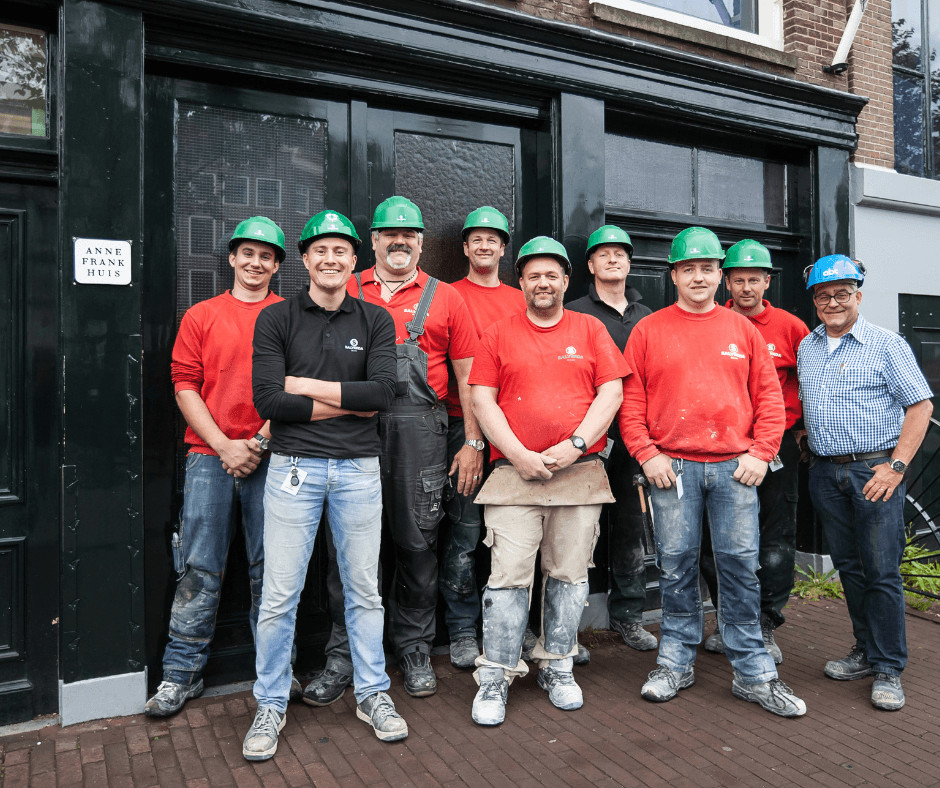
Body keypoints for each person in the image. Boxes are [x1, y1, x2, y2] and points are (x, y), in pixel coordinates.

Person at [619, 226, 807, 718]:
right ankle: (674, 662)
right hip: (672, 470)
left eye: (707, 268)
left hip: (734, 470)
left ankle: (754, 674)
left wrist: (761, 453)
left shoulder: (743, 331)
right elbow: (631, 401)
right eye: (689, 268)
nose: (698, 277)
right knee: (676, 566)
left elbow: (769, 399)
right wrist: (646, 454)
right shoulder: (648, 330)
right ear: (674, 275)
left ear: (719, 275)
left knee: (740, 568)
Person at [243, 210, 404, 760]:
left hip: (359, 470)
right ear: (306, 260)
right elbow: (270, 401)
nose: (331, 259)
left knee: (364, 591)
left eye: (341, 251)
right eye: (320, 250)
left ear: (354, 260)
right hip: (293, 468)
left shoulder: (376, 319)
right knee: (279, 594)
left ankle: (373, 693)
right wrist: (347, 402)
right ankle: (270, 702)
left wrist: (305, 386)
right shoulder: (276, 318)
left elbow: (381, 395)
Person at [304, 196, 478, 703]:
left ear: (421, 244)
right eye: (389, 234)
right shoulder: (345, 287)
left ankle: (415, 648)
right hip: (349, 433)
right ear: (374, 242)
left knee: (417, 545)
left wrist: (472, 441)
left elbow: (468, 377)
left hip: (422, 437)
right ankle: (344, 655)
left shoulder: (447, 298)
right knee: (348, 550)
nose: (399, 242)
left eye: (409, 235)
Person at [468, 236, 628, 726]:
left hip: (578, 474)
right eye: (534, 275)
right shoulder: (498, 333)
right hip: (514, 476)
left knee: (569, 576)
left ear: (565, 280)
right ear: (521, 282)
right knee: (507, 578)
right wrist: (518, 454)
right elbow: (482, 399)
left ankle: (558, 664)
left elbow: (611, 392)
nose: (543, 283)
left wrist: (575, 445)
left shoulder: (591, 329)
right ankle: (496, 674)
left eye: (551, 275)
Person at [145, 217, 289, 717]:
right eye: (248, 253)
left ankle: (276, 674)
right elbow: (184, 384)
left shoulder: (289, 316)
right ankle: (180, 675)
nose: (256, 263)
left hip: (273, 456)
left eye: (266, 256)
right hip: (209, 458)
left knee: (273, 573)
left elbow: (298, 386)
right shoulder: (202, 315)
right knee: (199, 570)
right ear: (232, 257)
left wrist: (257, 442)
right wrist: (225, 445)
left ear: (277, 266)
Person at [798, 254, 933, 711]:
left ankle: (889, 667)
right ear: (815, 301)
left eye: (842, 293)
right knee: (850, 568)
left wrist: (896, 466)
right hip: (825, 471)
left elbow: (920, 407)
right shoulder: (808, 346)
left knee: (881, 570)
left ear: (858, 295)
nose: (833, 303)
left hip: (873, 471)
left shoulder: (886, 344)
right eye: (823, 296)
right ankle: (865, 649)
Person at [699, 239, 810, 663]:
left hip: (776, 446)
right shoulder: (711, 320)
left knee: (775, 537)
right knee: (715, 539)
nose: (747, 288)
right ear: (726, 281)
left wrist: (802, 430)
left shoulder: (791, 327)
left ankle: (764, 623)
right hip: (721, 446)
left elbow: (811, 382)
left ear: (767, 281)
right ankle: (729, 618)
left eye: (755, 280)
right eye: (739, 280)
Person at [441, 206, 526, 669]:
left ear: (503, 248)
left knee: (516, 533)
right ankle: (461, 629)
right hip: (463, 427)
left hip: (515, 431)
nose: (485, 245)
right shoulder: (448, 295)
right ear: (465, 247)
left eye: (493, 239)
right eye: (476, 238)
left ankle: (517, 626)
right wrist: (471, 440)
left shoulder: (521, 299)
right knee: (466, 532)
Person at [567, 224, 657, 652]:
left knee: (629, 529)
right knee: (576, 533)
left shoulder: (648, 316)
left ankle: (628, 616)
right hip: (585, 437)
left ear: (629, 262)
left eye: (620, 253)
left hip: (635, 437)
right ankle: (568, 623)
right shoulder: (574, 312)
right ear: (590, 265)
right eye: (603, 254)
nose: (612, 259)